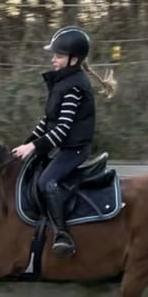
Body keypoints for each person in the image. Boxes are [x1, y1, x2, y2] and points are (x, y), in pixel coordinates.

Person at [12, 26, 117, 257]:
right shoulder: (62, 83)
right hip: (63, 147)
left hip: (75, 150)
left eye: (58, 56)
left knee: (46, 181)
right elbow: (48, 121)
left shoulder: (75, 87)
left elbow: (62, 129)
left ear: (73, 59)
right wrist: (26, 143)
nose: (53, 59)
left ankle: (62, 234)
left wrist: (34, 146)